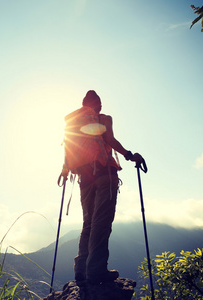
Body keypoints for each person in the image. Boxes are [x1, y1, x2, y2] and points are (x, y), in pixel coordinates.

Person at [61, 90, 144, 285]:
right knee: (102, 222)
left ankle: (81, 270)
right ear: (98, 104)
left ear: (83, 105)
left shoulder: (73, 123)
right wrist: (130, 155)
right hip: (104, 174)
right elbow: (109, 140)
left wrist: (65, 170)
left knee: (88, 224)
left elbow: (69, 148)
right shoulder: (103, 118)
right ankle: (96, 271)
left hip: (84, 177)